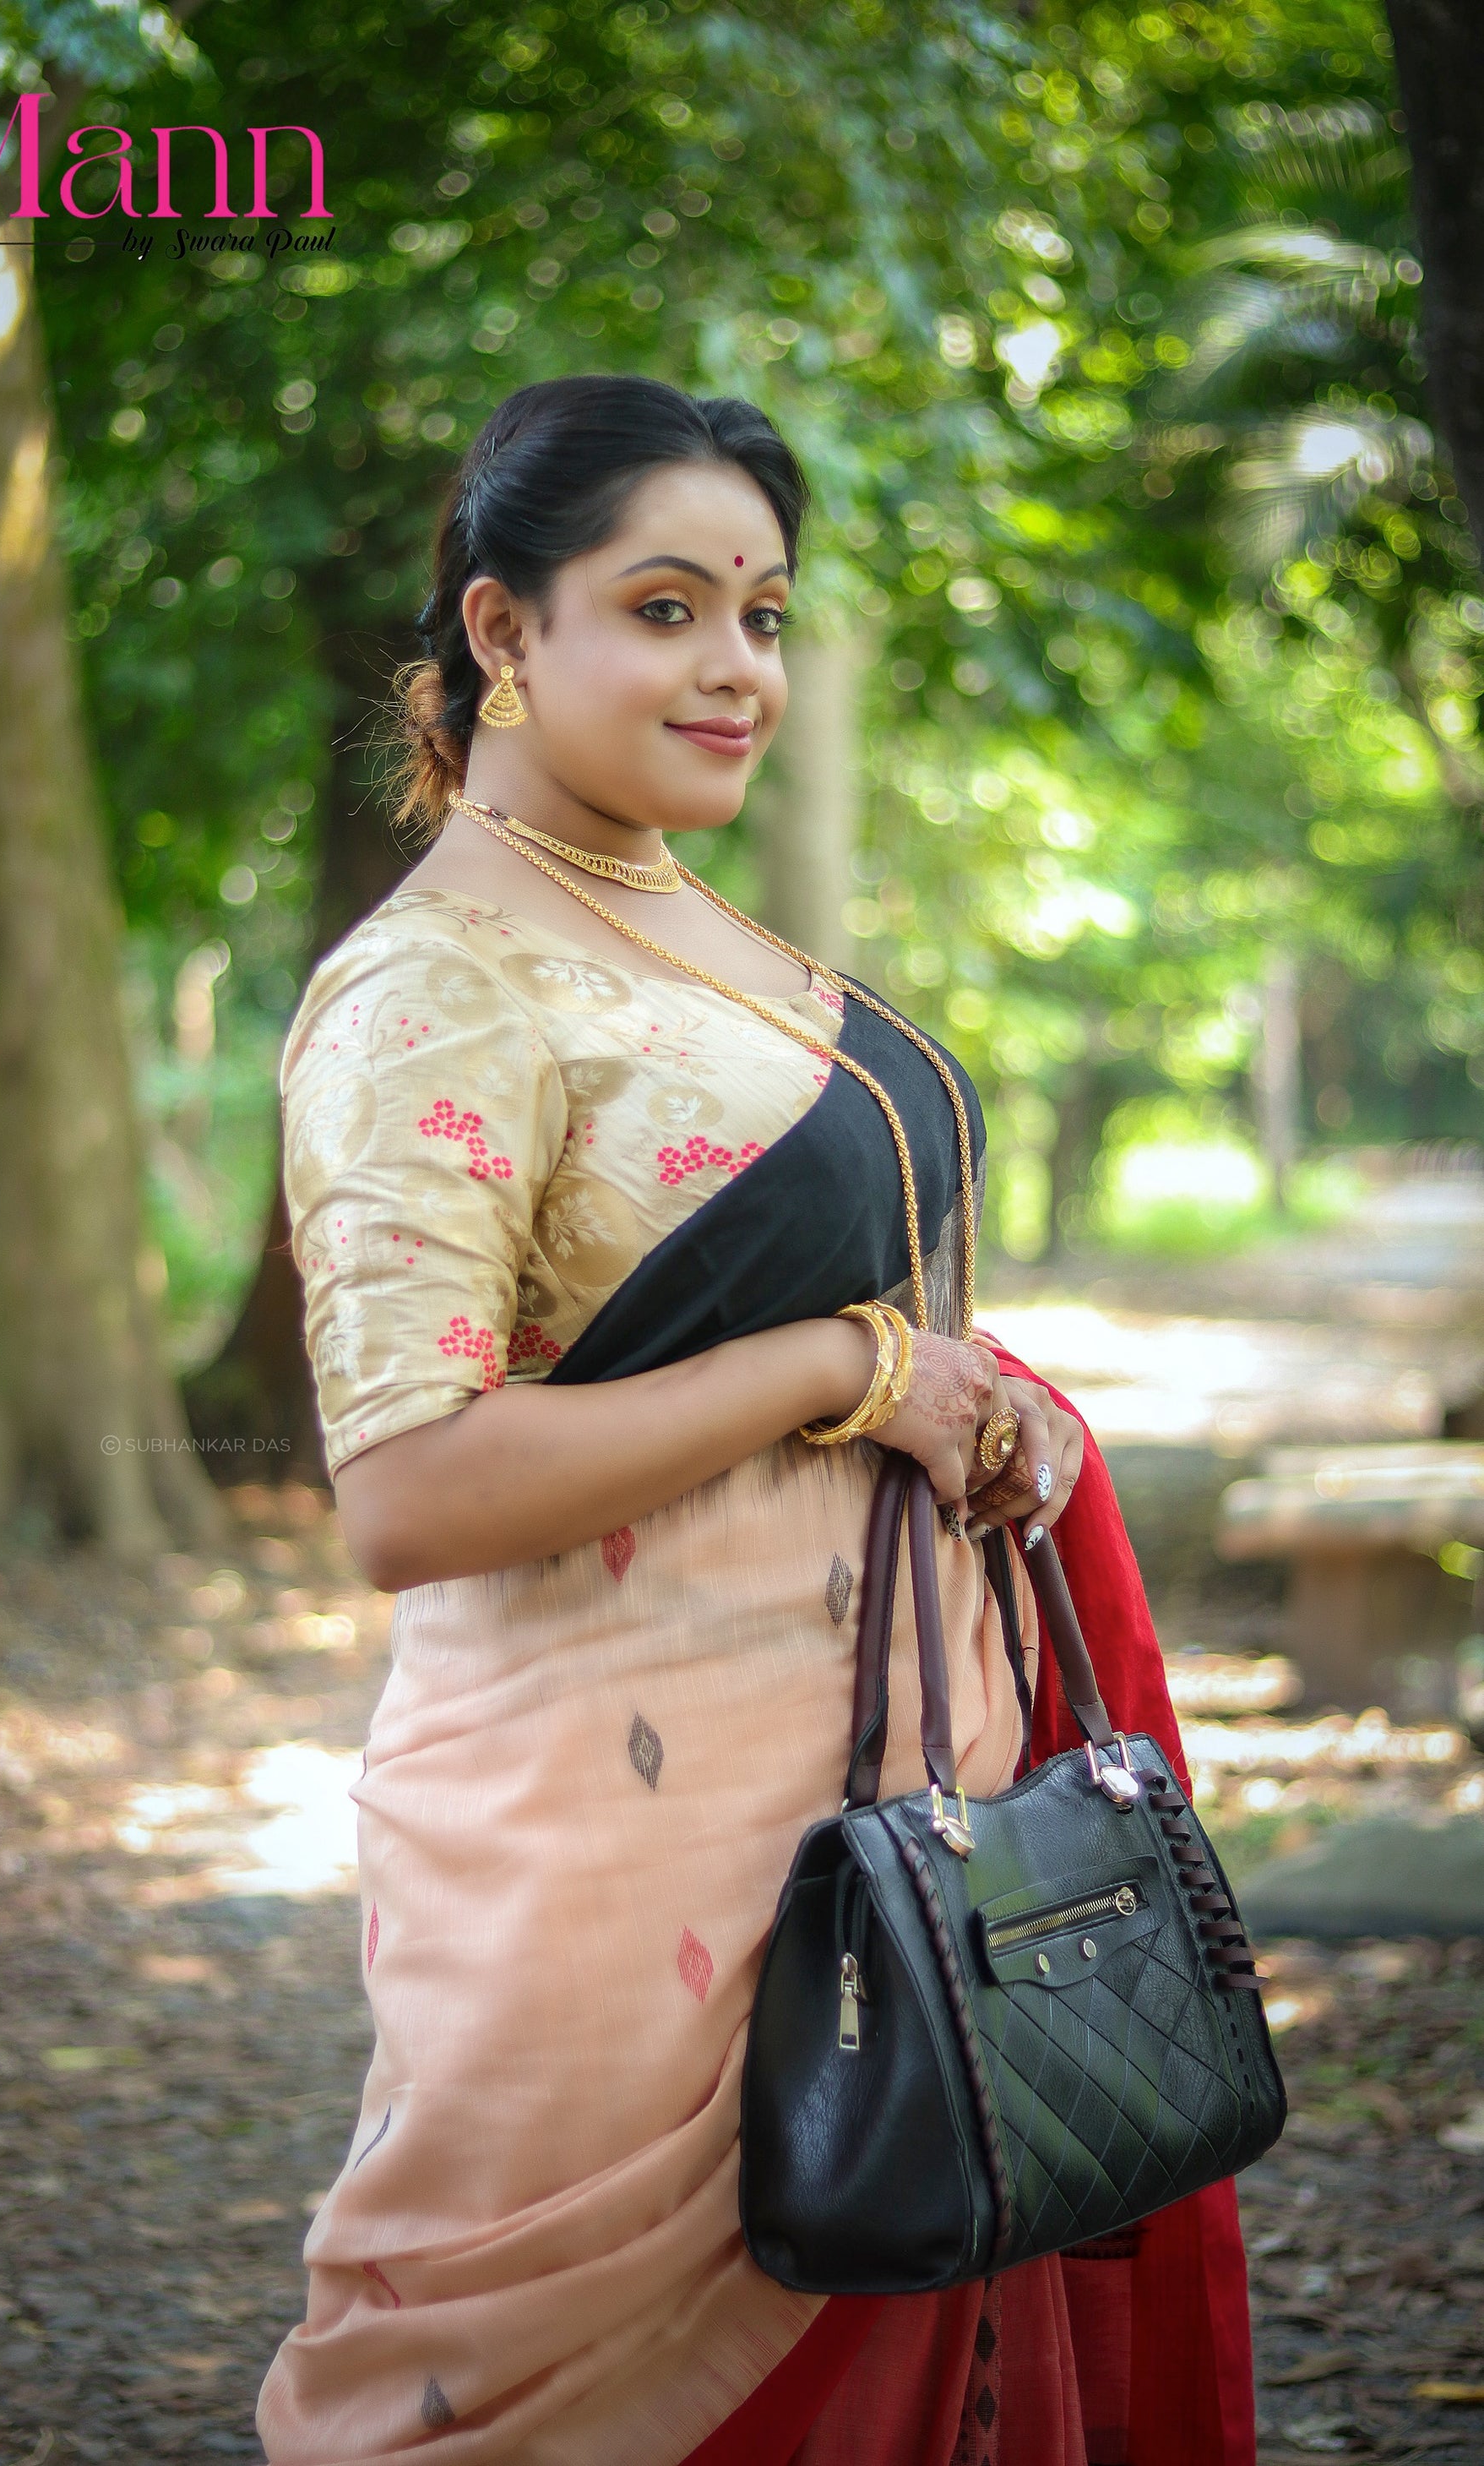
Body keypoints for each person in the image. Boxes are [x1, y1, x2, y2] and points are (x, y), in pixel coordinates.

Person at [259, 375, 1256, 2465]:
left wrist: (979, 1413)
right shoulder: (431, 989)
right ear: (504, 631)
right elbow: (410, 1484)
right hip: (612, 1853)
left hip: (890, 1793)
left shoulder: (686, 920)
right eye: (667, 606)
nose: (735, 668)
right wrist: (844, 1374)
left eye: (767, 615)